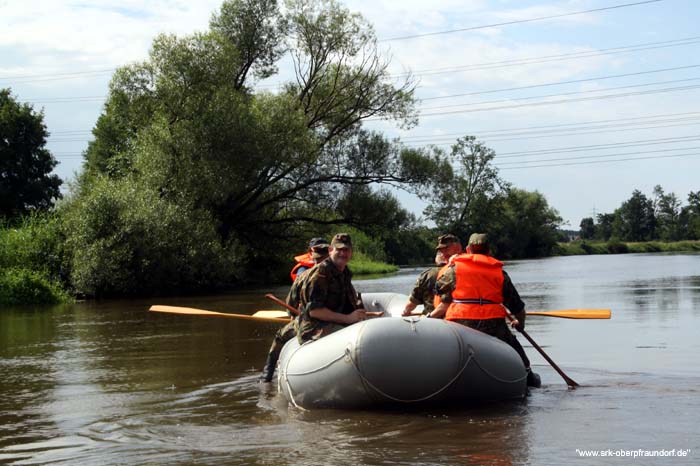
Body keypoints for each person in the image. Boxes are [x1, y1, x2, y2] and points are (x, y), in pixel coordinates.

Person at [430, 233, 541, 388]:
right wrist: (520, 323)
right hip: (493, 325)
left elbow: (437, 290)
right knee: (516, 350)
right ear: (489, 251)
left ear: (468, 250)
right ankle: (528, 376)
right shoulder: (500, 273)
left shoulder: (453, 270)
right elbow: (518, 307)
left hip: (460, 324)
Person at [260, 237, 330, 382]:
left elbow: (292, 300)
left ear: (312, 252)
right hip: (329, 314)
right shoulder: (339, 270)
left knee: (279, 337)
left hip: (309, 318)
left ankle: (266, 377)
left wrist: (293, 314)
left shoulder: (303, 273)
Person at [295, 233, 368, 343]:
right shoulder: (321, 273)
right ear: (330, 250)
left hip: (335, 321)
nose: (343, 253)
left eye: (346, 250)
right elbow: (315, 312)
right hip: (315, 328)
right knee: (360, 339)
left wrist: (361, 315)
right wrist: (348, 318)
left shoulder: (345, 272)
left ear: (351, 252)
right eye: (339, 249)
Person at [401, 250, 447, 316]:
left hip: (432, 319)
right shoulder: (455, 271)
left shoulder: (428, 274)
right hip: (453, 317)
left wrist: (406, 311)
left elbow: (412, 302)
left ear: (436, 260)